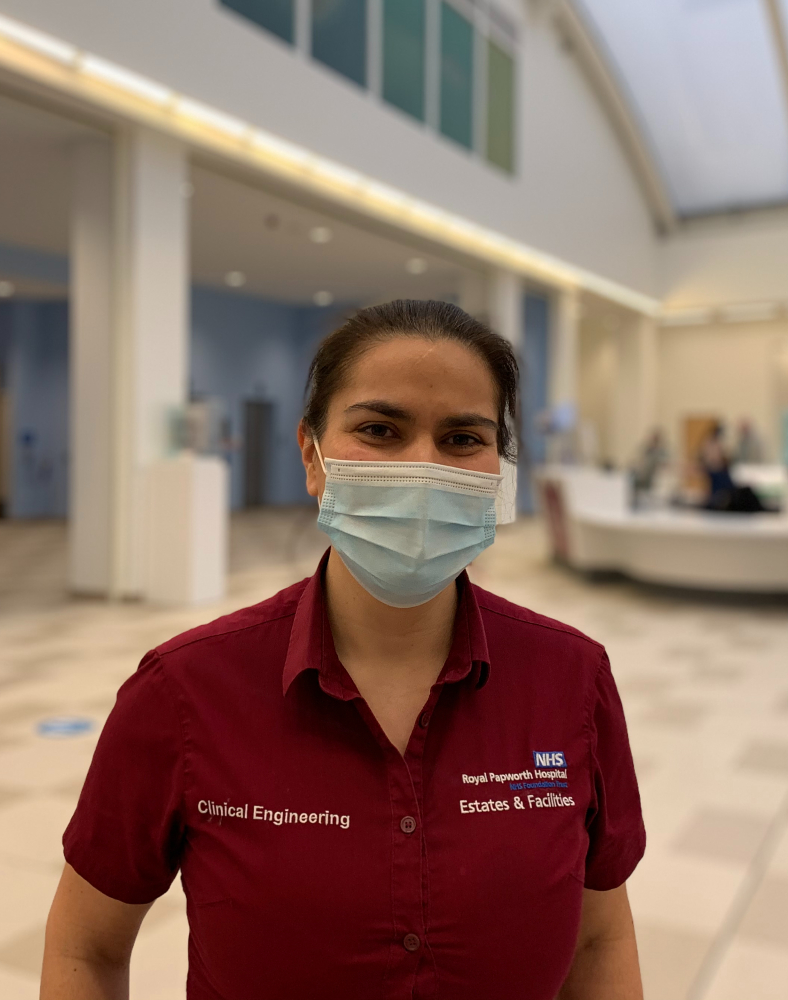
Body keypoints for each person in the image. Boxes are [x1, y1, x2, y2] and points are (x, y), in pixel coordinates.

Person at [43, 300, 646, 1000]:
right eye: (380, 430)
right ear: (312, 457)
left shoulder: (571, 680)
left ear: (498, 473)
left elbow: (601, 936)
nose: (423, 466)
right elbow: (84, 948)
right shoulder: (184, 691)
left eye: (461, 439)